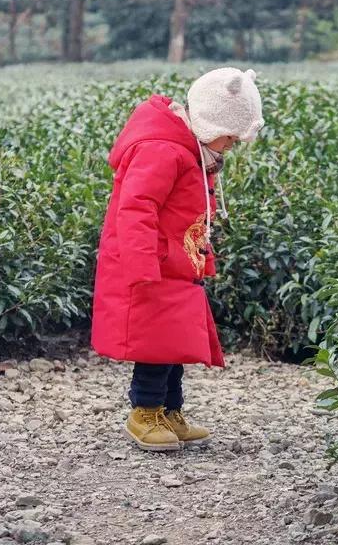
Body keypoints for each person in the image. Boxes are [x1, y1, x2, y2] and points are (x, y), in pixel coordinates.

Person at [90, 67, 264, 451]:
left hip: (176, 263)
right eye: (230, 136)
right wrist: (141, 264)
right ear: (208, 122)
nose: (231, 144)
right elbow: (137, 206)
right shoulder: (163, 150)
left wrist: (201, 256)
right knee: (155, 344)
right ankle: (145, 412)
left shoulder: (191, 150)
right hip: (153, 264)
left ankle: (170, 411)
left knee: (174, 341)